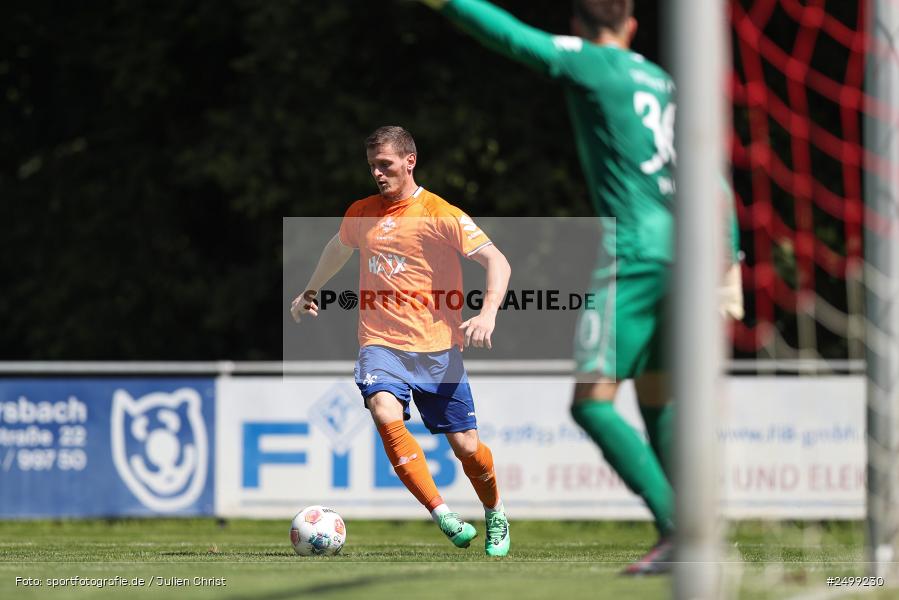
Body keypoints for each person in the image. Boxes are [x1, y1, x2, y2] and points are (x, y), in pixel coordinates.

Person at [414, 0, 744, 575]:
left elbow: (516, 39)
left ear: (578, 27)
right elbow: (710, 171)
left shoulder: (595, 64)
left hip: (637, 254)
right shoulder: (662, 80)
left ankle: (683, 530)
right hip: (692, 251)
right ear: (632, 24)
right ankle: (693, 531)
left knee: (592, 404)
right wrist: (730, 255)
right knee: (657, 396)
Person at [290, 125, 513, 557]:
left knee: (467, 447)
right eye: (372, 165)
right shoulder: (361, 212)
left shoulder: (439, 213)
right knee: (383, 410)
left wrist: (487, 314)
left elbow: (496, 260)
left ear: (410, 161)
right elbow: (339, 248)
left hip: (437, 348)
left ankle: (495, 511)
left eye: (385, 164)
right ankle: (442, 514)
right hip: (380, 344)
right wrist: (311, 290)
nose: (377, 173)